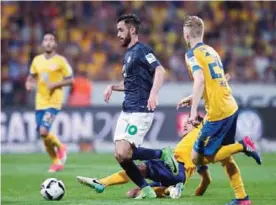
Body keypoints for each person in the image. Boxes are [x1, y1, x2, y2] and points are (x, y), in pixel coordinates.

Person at [177, 16, 261, 205]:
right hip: (230, 106)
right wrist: (192, 98)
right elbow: (216, 80)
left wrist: (192, 113)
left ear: (187, 34)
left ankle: (244, 145)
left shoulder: (191, 54)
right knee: (225, 156)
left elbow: (199, 80)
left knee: (198, 157)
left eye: (184, 33)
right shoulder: (211, 51)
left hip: (218, 113)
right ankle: (242, 199)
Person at [76, 115, 259, 200]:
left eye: (188, 122)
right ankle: (171, 190)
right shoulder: (196, 149)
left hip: (175, 168)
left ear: (196, 122)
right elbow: (206, 180)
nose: (185, 125)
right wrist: (197, 191)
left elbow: (209, 116)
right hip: (175, 175)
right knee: (136, 190)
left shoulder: (202, 130)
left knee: (138, 168)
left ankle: (102, 183)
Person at [102, 14, 177, 199]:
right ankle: (146, 189)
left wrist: (153, 93)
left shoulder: (143, 50)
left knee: (124, 151)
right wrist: (113, 86)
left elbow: (160, 70)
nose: (118, 34)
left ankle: (162, 153)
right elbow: (129, 84)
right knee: (120, 156)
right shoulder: (128, 55)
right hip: (126, 110)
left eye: (121, 30)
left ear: (132, 30)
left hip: (140, 110)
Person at [25, 32, 74, 172]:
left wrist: (56, 84)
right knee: (43, 135)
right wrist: (28, 84)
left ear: (55, 44)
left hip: (54, 101)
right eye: (46, 40)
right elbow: (31, 77)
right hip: (40, 101)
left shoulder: (61, 61)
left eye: (51, 40)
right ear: (42, 44)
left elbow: (71, 80)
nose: (48, 42)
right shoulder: (36, 60)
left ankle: (61, 147)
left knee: (44, 130)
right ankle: (56, 162)